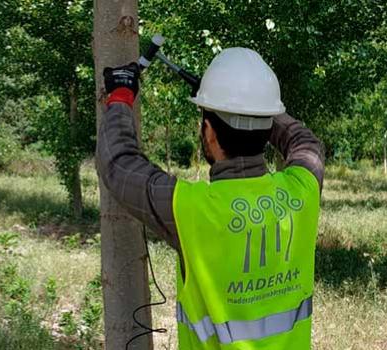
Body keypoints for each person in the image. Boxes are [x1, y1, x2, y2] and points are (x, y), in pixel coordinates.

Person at [98, 47, 325, 349]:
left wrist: (121, 96)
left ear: (209, 133)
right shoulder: (302, 189)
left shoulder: (190, 208)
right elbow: (304, 141)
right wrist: (249, 107)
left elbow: (119, 164)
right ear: (268, 122)